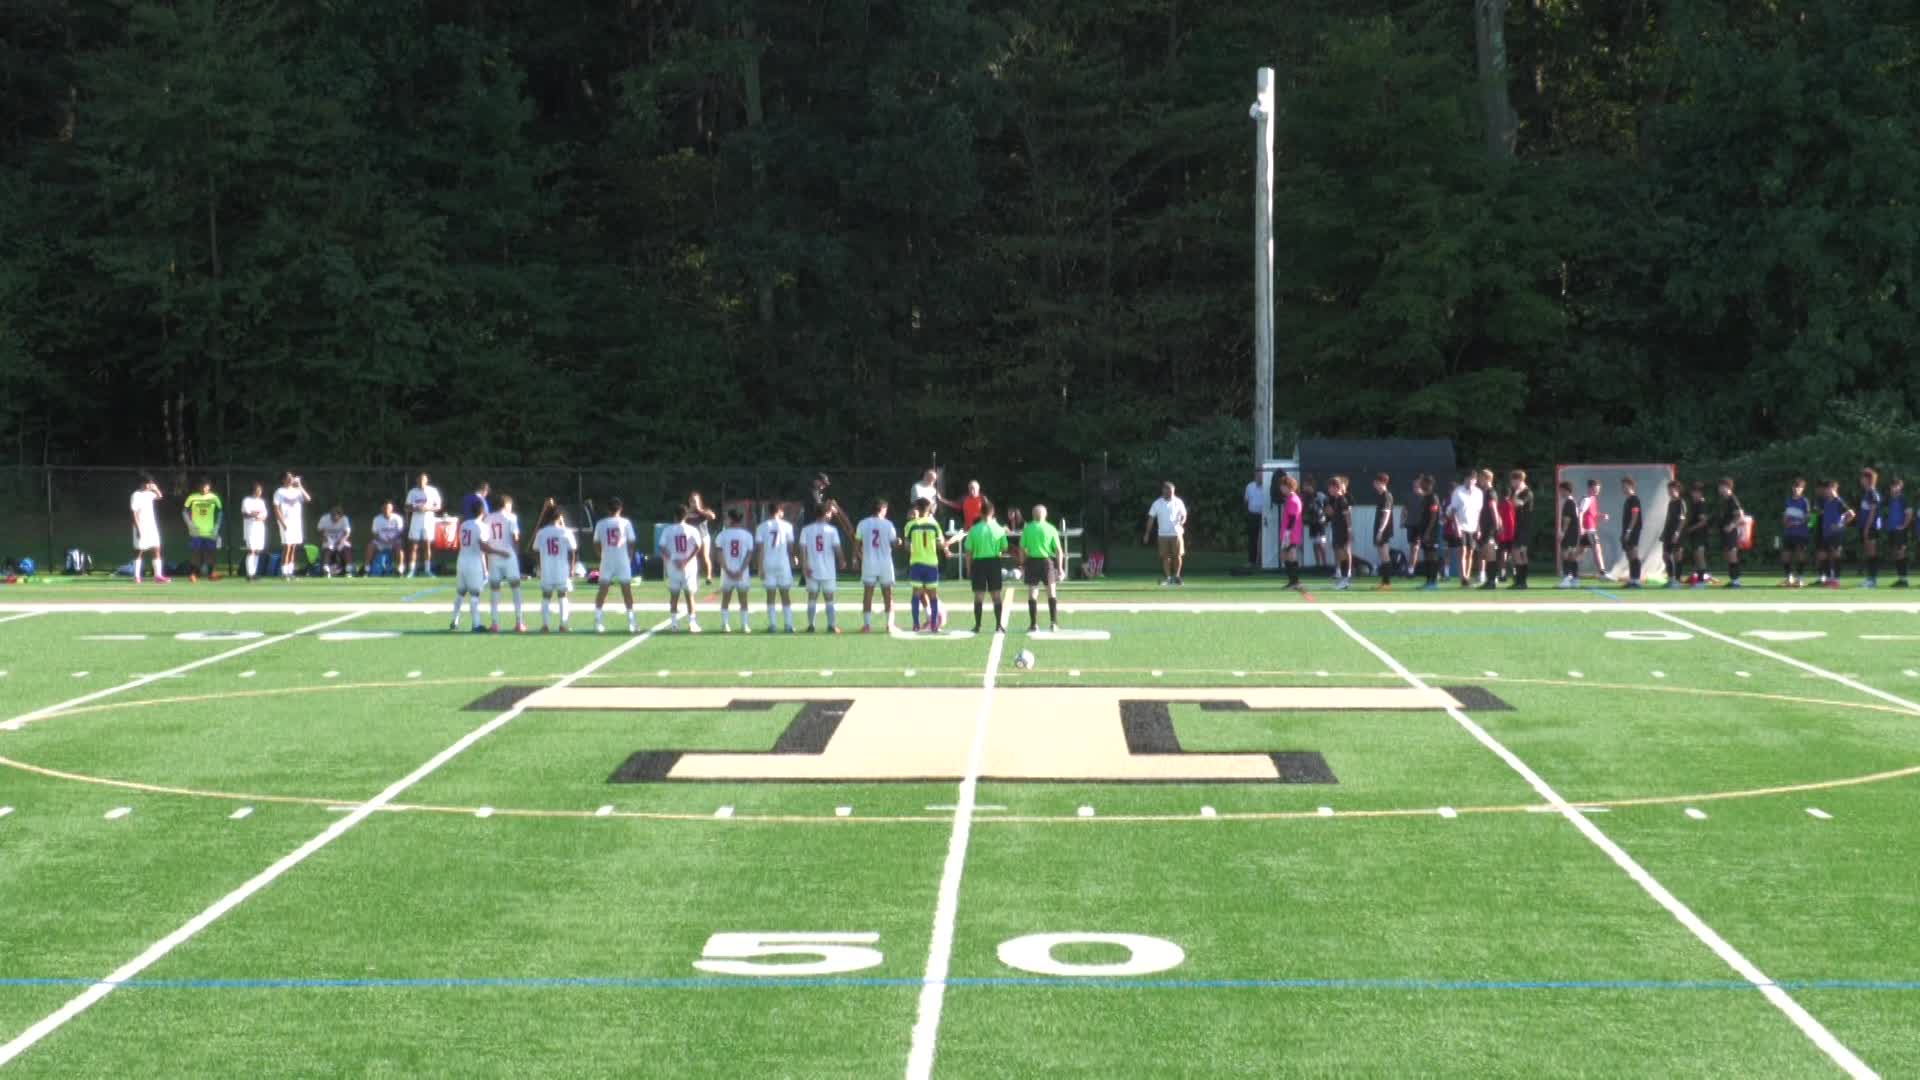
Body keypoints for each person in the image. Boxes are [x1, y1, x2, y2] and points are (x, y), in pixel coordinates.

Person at [451, 505, 508, 633]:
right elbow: (482, 546)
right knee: (475, 594)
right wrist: (498, 552)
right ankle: (476, 624)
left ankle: (454, 621)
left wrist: (485, 567)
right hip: (473, 562)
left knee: (461, 592)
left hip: (461, 560)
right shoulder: (482, 526)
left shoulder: (464, 524)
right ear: (482, 512)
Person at [904, 498, 956, 632]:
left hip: (916, 563)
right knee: (933, 594)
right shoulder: (934, 524)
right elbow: (940, 544)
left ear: (917, 508)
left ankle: (916, 624)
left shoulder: (910, 525)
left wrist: (914, 548)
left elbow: (906, 546)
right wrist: (946, 545)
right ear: (929, 509)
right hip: (931, 564)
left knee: (916, 594)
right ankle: (933, 624)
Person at [591, 498, 640, 633]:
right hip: (622, 559)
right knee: (626, 591)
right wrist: (629, 557)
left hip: (607, 559)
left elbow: (595, 543)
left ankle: (598, 622)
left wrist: (601, 555)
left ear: (608, 509)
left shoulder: (601, 523)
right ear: (621, 508)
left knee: (603, 590)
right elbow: (631, 542)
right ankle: (632, 622)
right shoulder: (626, 523)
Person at [964, 499, 1010, 633]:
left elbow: (968, 552)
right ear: (993, 512)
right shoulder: (999, 529)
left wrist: (968, 568)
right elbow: (1004, 547)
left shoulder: (974, 530)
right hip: (994, 562)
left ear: (980, 512)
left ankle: (978, 625)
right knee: (996, 595)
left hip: (978, 563)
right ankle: (998, 625)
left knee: (979, 595)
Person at [854, 499, 900, 633]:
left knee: (868, 593)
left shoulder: (863, 523)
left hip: (869, 562)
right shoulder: (888, 524)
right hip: (885, 562)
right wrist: (899, 542)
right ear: (882, 509)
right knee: (888, 593)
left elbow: (857, 543)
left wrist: (856, 558)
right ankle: (890, 625)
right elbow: (894, 543)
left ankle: (867, 625)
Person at [799, 502, 846, 633]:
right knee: (829, 598)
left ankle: (811, 625)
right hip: (828, 569)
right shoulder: (832, 530)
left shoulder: (806, 530)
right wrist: (842, 560)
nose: (831, 515)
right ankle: (831, 625)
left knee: (812, 597)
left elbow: (802, 549)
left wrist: (804, 566)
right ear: (825, 513)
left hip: (811, 568)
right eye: (829, 512)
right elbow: (837, 548)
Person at [659, 504, 705, 633]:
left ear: (674, 515)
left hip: (673, 566)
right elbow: (698, 546)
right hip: (688, 566)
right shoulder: (692, 530)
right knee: (690, 596)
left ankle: (674, 624)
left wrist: (672, 558)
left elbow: (661, 546)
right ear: (686, 516)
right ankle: (692, 623)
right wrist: (686, 560)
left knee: (674, 595)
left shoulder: (668, 530)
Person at [533, 500, 578, 632]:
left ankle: (545, 625)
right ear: (559, 517)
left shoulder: (542, 532)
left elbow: (535, 550)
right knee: (562, 595)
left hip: (547, 568)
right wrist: (572, 567)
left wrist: (539, 565)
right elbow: (572, 550)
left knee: (546, 596)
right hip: (561, 568)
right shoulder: (565, 531)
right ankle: (563, 625)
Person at [1020, 504, 1066, 632]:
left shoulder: (1028, 529)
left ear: (1033, 515)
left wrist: (1022, 565)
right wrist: (1060, 568)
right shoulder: (1051, 528)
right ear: (1045, 515)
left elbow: (1022, 548)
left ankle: (1033, 624)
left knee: (1032, 593)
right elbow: (1059, 551)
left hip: (1032, 562)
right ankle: (1054, 623)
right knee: (1051, 592)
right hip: (1047, 562)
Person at [484, 495, 527, 632]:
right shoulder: (511, 517)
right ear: (506, 505)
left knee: (494, 589)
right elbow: (515, 537)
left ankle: (495, 623)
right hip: (508, 555)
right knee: (515, 587)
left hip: (493, 556)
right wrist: (517, 552)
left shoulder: (488, 518)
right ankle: (519, 622)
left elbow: (485, 539)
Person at [755, 503, 799, 633]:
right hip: (782, 563)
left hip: (768, 563)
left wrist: (760, 567)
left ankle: (773, 625)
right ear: (779, 511)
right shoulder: (787, 526)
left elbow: (760, 550)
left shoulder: (761, 527)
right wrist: (794, 558)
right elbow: (790, 547)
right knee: (785, 594)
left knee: (770, 595)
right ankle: (788, 625)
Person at [714, 508, 756, 633]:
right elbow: (749, 555)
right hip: (742, 573)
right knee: (743, 600)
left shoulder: (722, 535)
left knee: (726, 599)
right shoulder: (747, 535)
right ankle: (745, 625)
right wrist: (741, 570)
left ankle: (725, 624)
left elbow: (719, 555)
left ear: (731, 519)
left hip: (727, 572)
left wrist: (727, 570)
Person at [1144, 481, 1188, 586]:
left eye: (1172, 492)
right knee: (1165, 557)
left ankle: (1177, 577)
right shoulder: (1157, 503)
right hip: (1162, 535)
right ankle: (1168, 578)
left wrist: (1182, 520)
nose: (1170, 493)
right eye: (1168, 491)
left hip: (1176, 533)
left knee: (1177, 556)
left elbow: (1184, 515)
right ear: (1163, 491)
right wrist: (1147, 533)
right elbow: (1151, 518)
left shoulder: (1178, 502)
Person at [1445, 470, 1483, 587]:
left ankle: (1467, 575)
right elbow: (1453, 510)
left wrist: (1479, 528)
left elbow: (1478, 512)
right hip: (1461, 526)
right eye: (1468, 479)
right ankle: (1463, 578)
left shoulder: (1479, 493)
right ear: (1465, 480)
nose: (1470, 481)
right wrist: (1456, 526)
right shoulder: (1458, 491)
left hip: (1473, 526)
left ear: (1475, 480)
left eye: (1472, 479)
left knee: (1470, 552)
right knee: (1463, 551)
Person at [181, 478, 223, 581]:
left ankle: (212, 573)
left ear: (209, 487)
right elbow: (184, 511)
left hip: (210, 532)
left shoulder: (214, 498)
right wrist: (190, 525)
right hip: (196, 532)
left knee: (211, 552)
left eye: (206, 487)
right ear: (199, 487)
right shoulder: (192, 498)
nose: (204, 488)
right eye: (203, 486)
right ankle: (193, 574)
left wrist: (217, 527)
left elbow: (220, 513)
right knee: (196, 553)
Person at [129, 475, 169, 584]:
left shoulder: (150, 493)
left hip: (152, 526)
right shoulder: (136, 495)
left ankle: (158, 576)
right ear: (142, 483)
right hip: (141, 526)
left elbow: (160, 496)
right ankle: (136, 576)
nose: (149, 485)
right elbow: (134, 514)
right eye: (148, 483)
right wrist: (138, 529)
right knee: (139, 551)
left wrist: (155, 488)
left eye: (150, 483)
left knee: (157, 549)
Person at [273, 473, 311, 581]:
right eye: (288, 477)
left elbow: (308, 499)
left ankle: (290, 572)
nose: (291, 479)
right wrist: (283, 523)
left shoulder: (297, 491)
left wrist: (300, 485)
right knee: (287, 547)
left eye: (291, 477)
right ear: (283, 480)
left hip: (296, 523)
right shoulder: (279, 491)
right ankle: (284, 573)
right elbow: (276, 508)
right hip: (286, 522)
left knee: (293, 547)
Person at [404, 473, 442, 578]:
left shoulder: (433, 491)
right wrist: (416, 509)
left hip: (428, 521)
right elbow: (406, 507)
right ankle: (412, 570)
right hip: (416, 521)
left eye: (423, 480)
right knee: (414, 546)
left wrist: (427, 509)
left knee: (427, 545)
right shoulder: (412, 492)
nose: (421, 482)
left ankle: (427, 570)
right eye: (419, 480)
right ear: (417, 481)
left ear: (426, 481)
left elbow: (438, 506)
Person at [1818, 480, 1854, 588]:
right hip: (1826, 533)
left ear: (1835, 489)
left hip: (1836, 534)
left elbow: (1851, 514)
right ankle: (1829, 578)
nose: (1827, 491)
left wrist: (1840, 525)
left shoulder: (1839, 502)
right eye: (1827, 489)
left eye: (1830, 489)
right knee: (1823, 555)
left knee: (1835, 555)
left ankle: (1836, 579)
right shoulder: (1825, 502)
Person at [1713, 477, 1746, 589]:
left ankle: (1736, 581)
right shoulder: (1724, 500)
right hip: (1725, 533)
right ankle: (1733, 580)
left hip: (1731, 532)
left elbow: (1740, 516)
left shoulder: (1732, 499)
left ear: (1727, 487)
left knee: (1732, 555)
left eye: (1721, 486)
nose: (1719, 489)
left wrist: (1731, 526)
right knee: (1728, 556)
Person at [1410, 475, 1442, 590]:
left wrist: (1428, 532)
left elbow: (1434, 517)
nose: (1420, 485)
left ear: (1428, 484)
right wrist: (1421, 533)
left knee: (1432, 556)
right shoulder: (1425, 497)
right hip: (1424, 532)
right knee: (1427, 556)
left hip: (1431, 532)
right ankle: (1428, 581)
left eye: (1422, 483)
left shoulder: (1433, 498)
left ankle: (1433, 582)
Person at [1781, 479, 1812, 588]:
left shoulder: (1805, 501)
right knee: (1785, 556)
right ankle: (1789, 578)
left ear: (1802, 489)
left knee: (1800, 555)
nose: (1796, 489)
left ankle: (1800, 578)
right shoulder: (1788, 501)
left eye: (1799, 487)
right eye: (1795, 487)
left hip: (1801, 533)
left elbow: (1808, 517)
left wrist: (1798, 523)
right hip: (1788, 533)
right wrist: (1785, 522)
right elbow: (1785, 515)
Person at [1575, 478, 1608, 583]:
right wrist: (1581, 528)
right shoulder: (1586, 499)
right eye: (1595, 489)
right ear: (1590, 488)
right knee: (1597, 550)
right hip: (1588, 530)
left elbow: (1593, 514)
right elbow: (1580, 514)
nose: (1597, 491)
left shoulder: (1593, 499)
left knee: (1580, 552)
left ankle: (1570, 572)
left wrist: (1601, 516)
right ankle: (1602, 573)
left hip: (1589, 529)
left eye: (1598, 489)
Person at [1505, 470, 1533, 589]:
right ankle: (1519, 581)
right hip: (1517, 526)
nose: (1512, 484)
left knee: (1519, 552)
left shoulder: (1527, 492)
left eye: (1513, 481)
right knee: (1517, 553)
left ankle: (1522, 582)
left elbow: (1517, 503)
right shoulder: (1516, 492)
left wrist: (1515, 493)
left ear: (1520, 480)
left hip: (1524, 527)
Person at [1275, 474, 1303, 589]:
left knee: (1290, 555)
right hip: (1289, 533)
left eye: (1282, 486)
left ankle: (1295, 581)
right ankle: (1292, 581)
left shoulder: (1293, 500)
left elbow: (1293, 518)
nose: (1281, 488)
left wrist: (1287, 533)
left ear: (1288, 486)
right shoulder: (1290, 499)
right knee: (1285, 555)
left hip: (1291, 534)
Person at [363, 501, 405, 577]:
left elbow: (400, 532)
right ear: (382, 509)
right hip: (380, 541)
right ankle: (366, 570)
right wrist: (382, 540)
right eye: (385, 508)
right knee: (370, 546)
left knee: (399, 547)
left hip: (394, 541)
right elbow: (375, 533)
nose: (386, 510)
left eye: (388, 508)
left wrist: (393, 539)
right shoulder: (377, 519)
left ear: (392, 509)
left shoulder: (398, 518)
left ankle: (400, 570)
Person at [1659, 479, 1688, 589]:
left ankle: (1677, 580)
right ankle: (1671, 579)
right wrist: (1664, 532)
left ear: (1678, 490)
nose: (1670, 492)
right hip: (1668, 532)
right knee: (1666, 555)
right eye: (1669, 490)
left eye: (1672, 489)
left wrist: (1677, 532)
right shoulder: (1671, 503)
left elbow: (1682, 519)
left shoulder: (1681, 502)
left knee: (1677, 556)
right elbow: (1668, 518)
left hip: (1677, 533)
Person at [1858, 468, 1884, 588]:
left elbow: (1873, 512)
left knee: (1872, 553)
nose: (1861, 480)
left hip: (1871, 527)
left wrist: (1867, 528)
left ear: (1868, 479)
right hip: (1866, 526)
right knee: (1868, 553)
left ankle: (1873, 580)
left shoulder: (1872, 493)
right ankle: (1869, 579)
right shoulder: (1867, 493)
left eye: (1862, 478)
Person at [1475, 470, 1501, 589]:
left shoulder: (1490, 493)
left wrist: (1496, 526)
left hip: (1490, 527)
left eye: (1480, 478)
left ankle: (1492, 581)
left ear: (1486, 478)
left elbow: (1494, 510)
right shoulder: (1484, 492)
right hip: (1485, 526)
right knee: (1485, 553)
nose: (1479, 481)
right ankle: (1490, 579)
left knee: (1490, 553)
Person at [1326, 476, 1353, 590]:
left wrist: (1349, 531)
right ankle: (1343, 579)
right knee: (1341, 555)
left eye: (1330, 487)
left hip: (1343, 531)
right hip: (1337, 529)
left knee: (1343, 554)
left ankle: (1346, 580)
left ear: (1336, 487)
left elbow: (1348, 517)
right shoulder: (1336, 500)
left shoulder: (1342, 500)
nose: (1329, 490)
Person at [688, 491, 718, 585]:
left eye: (696, 501)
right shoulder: (687, 513)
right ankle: (694, 576)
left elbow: (712, 517)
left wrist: (700, 510)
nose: (694, 503)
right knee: (693, 557)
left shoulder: (704, 511)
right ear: (690, 502)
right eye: (692, 501)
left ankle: (709, 576)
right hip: (692, 539)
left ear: (699, 501)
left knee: (705, 556)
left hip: (704, 536)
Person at [1685, 480, 1712, 585]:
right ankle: (1698, 579)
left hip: (1700, 534)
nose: (1692, 494)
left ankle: (1701, 581)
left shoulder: (1701, 504)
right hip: (1695, 534)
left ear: (1700, 493)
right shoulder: (1695, 504)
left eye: (1695, 492)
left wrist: (1691, 528)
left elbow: (1703, 521)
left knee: (1700, 556)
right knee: (1696, 556)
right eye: (1692, 492)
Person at [1371, 473, 1395, 590]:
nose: (1374, 484)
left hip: (1384, 529)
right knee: (1381, 554)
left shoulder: (1387, 496)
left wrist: (1380, 531)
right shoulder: (1380, 496)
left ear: (1382, 483)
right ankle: (1384, 582)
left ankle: (1387, 583)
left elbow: (1386, 515)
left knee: (1385, 555)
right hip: (1379, 528)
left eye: (1376, 482)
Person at [1619, 477, 1644, 588]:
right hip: (1627, 531)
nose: (1623, 488)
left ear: (1631, 486)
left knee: (1634, 554)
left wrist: (1629, 531)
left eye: (1625, 486)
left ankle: (1637, 580)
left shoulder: (1634, 499)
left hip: (1633, 531)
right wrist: (1624, 532)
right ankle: (1632, 579)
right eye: (1622, 486)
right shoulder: (1627, 500)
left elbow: (1635, 516)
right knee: (1629, 555)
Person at [1886, 477, 1911, 588]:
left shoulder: (1903, 499)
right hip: (1892, 530)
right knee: (1895, 554)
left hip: (1900, 531)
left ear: (1901, 487)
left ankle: (1904, 580)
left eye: (1896, 486)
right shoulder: (1891, 499)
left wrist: (1904, 526)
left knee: (1901, 553)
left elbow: (1909, 513)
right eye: (1893, 486)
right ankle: (1900, 579)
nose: (1894, 488)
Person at [241, 483, 269, 581]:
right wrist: (254, 514)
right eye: (257, 490)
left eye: (260, 490)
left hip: (260, 528)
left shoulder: (261, 502)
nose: (259, 492)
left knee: (257, 551)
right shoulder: (247, 500)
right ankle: (249, 574)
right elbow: (246, 513)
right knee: (251, 550)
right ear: (253, 490)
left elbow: (265, 514)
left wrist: (259, 516)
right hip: (250, 528)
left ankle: (254, 574)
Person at [316, 504, 352, 579]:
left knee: (346, 547)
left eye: (336, 517)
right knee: (328, 548)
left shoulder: (344, 519)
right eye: (333, 516)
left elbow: (347, 533)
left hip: (341, 539)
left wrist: (341, 541)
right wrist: (325, 538)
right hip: (328, 538)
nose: (334, 518)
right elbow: (320, 530)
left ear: (340, 516)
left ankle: (348, 570)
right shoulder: (324, 518)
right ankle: (326, 569)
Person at [1242, 470, 1268, 570]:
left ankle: (1264, 562)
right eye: (1258, 476)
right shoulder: (1250, 486)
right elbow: (1246, 500)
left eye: (1261, 476)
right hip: (1253, 515)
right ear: (1255, 476)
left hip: (1264, 515)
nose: (1260, 478)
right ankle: (1251, 561)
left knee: (1266, 538)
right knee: (1253, 538)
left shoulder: (1266, 486)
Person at [1556, 480, 1580, 588]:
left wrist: (1562, 532)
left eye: (1561, 490)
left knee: (1565, 554)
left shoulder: (1569, 502)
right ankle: (1575, 579)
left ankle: (1566, 579)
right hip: (1574, 532)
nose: (1560, 493)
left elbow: (1567, 519)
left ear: (1566, 490)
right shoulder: (1573, 501)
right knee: (1572, 556)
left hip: (1570, 532)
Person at [1301, 476, 1329, 570]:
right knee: (1315, 544)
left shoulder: (1319, 495)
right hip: (1312, 523)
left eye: (1305, 485)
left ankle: (1325, 565)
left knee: (1321, 544)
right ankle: (1318, 565)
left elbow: (1327, 506)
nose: (1304, 487)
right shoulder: (1305, 497)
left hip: (1320, 523)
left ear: (1310, 486)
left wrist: (1325, 519)